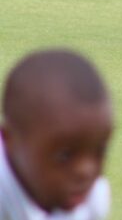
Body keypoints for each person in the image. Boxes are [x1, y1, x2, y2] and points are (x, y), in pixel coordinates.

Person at [0, 49, 114, 219]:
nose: (85, 171)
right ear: (10, 140)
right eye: (65, 155)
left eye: (99, 151)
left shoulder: (93, 200)